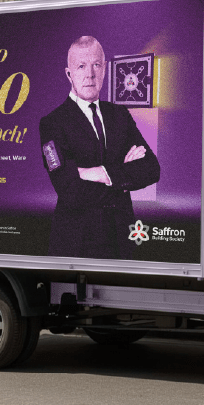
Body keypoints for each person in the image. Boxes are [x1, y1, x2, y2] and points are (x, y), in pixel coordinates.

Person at [40, 36, 160, 259]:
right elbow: (69, 189)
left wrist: (99, 173)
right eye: (81, 66)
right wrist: (122, 176)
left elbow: (152, 168)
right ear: (69, 74)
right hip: (77, 243)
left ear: (104, 69)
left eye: (96, 65)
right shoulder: (53, 123)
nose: (90, 74)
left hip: (122, 239)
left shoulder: (120, 115)